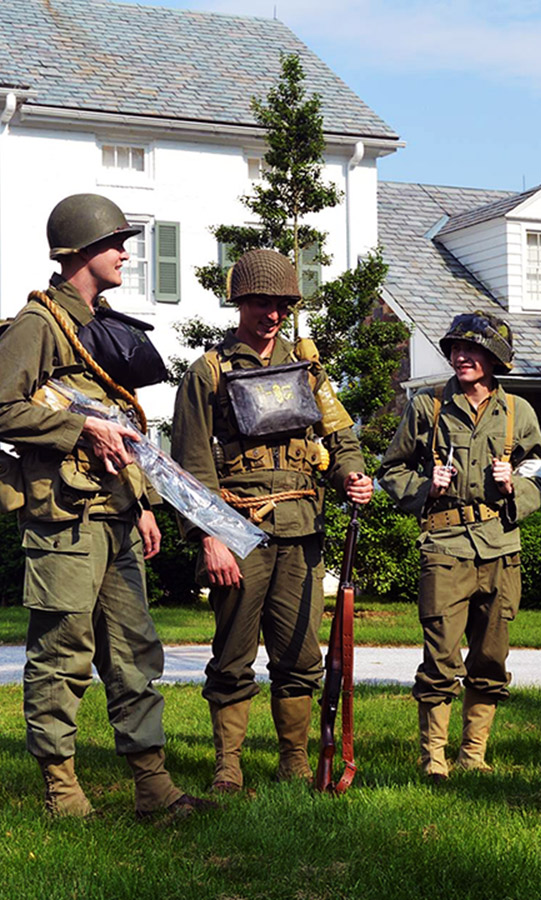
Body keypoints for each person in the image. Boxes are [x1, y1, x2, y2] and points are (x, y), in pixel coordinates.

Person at [0, 193, 214, 820]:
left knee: (135, 654)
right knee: (62, 654)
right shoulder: (37, 326)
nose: (125, 253)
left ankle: (152, 784)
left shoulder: (94, 324)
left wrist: (140, 504)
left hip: (114, 516)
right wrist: (78, 431)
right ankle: (62, 789)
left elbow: (115, 425)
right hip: (64, 522)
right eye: (116, 243)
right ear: (81, 250)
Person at [171, 248, 372, 791]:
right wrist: (209, 538)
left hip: (302, 532)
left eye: (282, 304)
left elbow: (340, 437)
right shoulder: (207, 372)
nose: (273, 314)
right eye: (262, 302)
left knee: (301, 655)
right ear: (240, 302)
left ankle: (295, 761)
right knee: (233, 655)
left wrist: (351, 473)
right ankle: (229, 766)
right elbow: (189, 466)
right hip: (238, 533)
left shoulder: (309, 369)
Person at [377, 310, 541, 781]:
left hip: (499, 546)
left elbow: (540, 474)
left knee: (491, 656)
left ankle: (473, 753)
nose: (461, 356)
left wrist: (513, 483)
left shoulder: (518, 412)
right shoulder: (428, 407)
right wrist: (424, 486)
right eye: (455, 348)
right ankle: (433, 757)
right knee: (440, 657)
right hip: (445, 547)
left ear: (494, 358)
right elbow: (390, 470)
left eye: (472, 349)